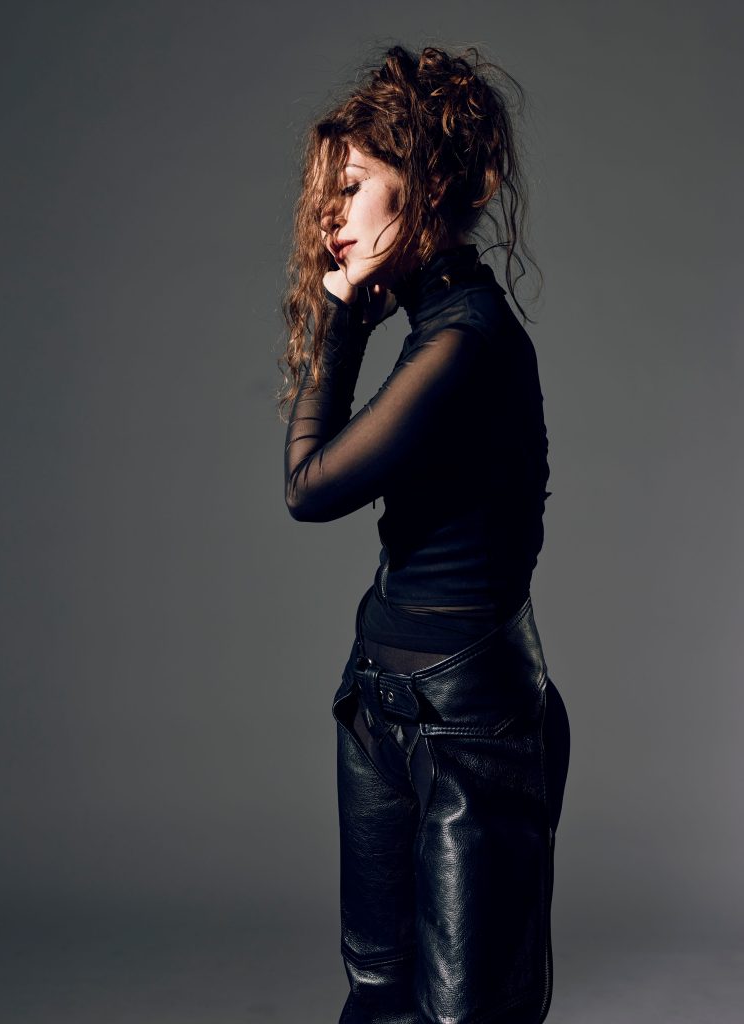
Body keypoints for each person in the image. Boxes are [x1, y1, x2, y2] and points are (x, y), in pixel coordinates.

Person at [278, 43, 571, 1024]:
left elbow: (309, 487)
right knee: (377, 990)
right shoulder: (432, 332)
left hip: (468, 726)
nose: (332, 214)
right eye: (330, 190)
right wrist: (355, 323)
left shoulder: (465, 341)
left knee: (461, 1013)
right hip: (378, 704)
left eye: (354, 185)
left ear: (427, 187)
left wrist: (340, 326)